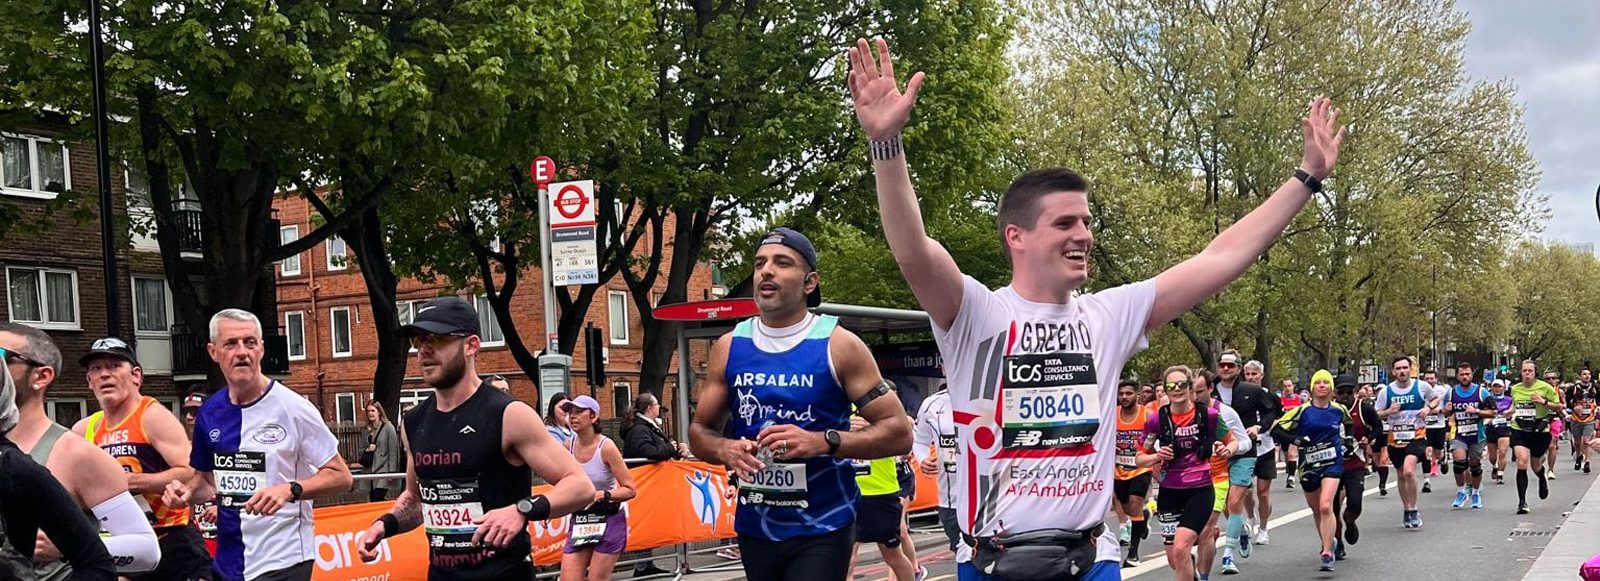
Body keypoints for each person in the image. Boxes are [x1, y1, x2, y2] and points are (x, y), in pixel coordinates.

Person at [851, 34, 1345, 581]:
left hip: (1090, 561)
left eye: (1086, 222)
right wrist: (886, 146)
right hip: (994, 562)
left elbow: (1222, 255)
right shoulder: (975, 314)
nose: (1083, 235)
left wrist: (1307, 179)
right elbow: (913, 249)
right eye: (1064, 223)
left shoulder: (1108, 315)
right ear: (1015, 236)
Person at [688, 226, 913, 581]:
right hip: (756, 523)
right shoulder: (730, 346)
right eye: (760, 263)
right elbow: (699, 431)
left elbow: (899, 433)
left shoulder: (839, 344)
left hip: (823, 525)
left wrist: (824, 441)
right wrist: (726, 449)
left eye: (782, 263)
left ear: (810, 282)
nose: (767, 271)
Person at [353, 298, 595, 580]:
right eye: (419, 341)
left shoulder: (508, 414)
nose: (424, 350)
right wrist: (385, 525)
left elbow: (581, 486)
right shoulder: (413, 421)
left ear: (471, 345)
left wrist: (522, 510)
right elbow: (416, 498)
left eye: (437, 339)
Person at [162, 309, 355, 581]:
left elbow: (342, 477)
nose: (242, 352)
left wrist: (291, 489)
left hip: (284, 557)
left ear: (261, 349)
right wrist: (184, 491)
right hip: (230, 560)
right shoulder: (210, 412)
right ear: (213, 352)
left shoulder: (294, 408)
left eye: (250, 342)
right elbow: (205, 480)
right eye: (231, 343)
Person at [0, 328, 160, 580]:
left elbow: (147, 551)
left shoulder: (76, 454)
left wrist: (68, 544)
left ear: (41, 376)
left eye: (2, 357)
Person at [70, 336, 217, 581]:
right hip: (122, 543)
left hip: (171, 538)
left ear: (136, 375)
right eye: (96, 369)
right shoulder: (84, 429)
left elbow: (190, 470)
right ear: (89, 381)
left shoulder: (151, 415)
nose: (105, 374)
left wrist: (130, 482)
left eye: (114, 366)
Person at [0, 347, 118, 580]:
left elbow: (102, 560)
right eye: (96, 368)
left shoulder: (74, 452)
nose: (103, 375)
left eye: (6, 356)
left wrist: (62, 546)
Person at [1137, 366, 1239, 581]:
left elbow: (1233, 441)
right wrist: (1156, 457)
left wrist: (1226, 450)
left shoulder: (1209, 416)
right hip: (1169, 491)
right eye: (1171, 386)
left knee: (1181, 547)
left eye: (1182, 385)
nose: (1177, 390)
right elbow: (1140, 457)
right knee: (1175, 558)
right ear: (1165, 390)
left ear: (1190, 387)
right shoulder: (1157, 420)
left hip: (1199, 489)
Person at [1272, 370, 1352, 572]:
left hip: (1333, 462)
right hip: (1308, 466)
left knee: (1326, 506)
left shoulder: (1339, 409)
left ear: (1331, 388)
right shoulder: (1302, 411)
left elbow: (1349, 425)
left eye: (1326, 382)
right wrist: (1295, 440)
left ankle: (1327, 552)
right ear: (1313, 388)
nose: (1323, 386)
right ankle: (1328, 542)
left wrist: (1348, 442)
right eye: (1319, 383)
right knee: (1317, 510)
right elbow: (1276, 430)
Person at [559, 396, 638, 581]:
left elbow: (630, 489)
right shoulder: (566, 446)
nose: (573, 417)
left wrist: (605, 494)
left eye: (579, 412)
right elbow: (562, 481)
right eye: (570, 413)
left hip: (609, 519)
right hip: (581, 520)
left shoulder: (607, 447)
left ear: (593, 417)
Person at [1210, 349, 1279, 560]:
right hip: (1219, 453)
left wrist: (1259, 426)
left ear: (1238, 369)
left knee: (1253, 494)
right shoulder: (1210, 391)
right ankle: (1239, 530)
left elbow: (1272, 411)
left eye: (1230, 365)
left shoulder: (1252, 391)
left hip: (1248, 449)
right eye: (1222, 365)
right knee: (1226, 503)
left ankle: (1256, 533)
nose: (1225, 369)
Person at [1189, 371, 1248, 580]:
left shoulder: (1224, 413)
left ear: (1211, 389)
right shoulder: (1174, 414)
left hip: (1217, 477)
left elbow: (1244, 442)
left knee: (1206, 528)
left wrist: (1228, 450)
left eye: (1199, 392)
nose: (1195, 397)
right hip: (1185, 480)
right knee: (1184, 538)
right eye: (1191, 392)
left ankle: (1205, 576)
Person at [621, 391, 686, 578]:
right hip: (644, 483)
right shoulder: (640, 429)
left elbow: (659, 449)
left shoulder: (648, 427)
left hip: (652, 484)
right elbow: (646, 451)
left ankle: (647, 565)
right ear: (649, 408)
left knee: (650, 522)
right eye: (657, 404)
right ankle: (642, 567)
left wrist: (676, 450)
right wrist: (669, 448)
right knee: (644, 522)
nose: (659, 407)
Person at [1374, 355, 1438, 529]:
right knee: (1401, 474)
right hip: (1395, 439)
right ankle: (1407, 509)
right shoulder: (1386, 391)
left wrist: (1427, 408)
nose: (1402, 371)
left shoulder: (1422, 386)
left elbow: (1435, 398)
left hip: (1416, 436)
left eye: (1405, 368)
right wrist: (1388, 411)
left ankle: (1414, 508)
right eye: (1398, 369)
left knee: (1409, 471)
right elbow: (1376, 414)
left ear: (1410, 369)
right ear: (1393, 371)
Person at [1331, 375, 1378, 561]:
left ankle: (1350, 521)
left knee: (1355, 503)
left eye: (1349, 392)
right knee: (1332, 507)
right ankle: (1337, 543)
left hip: (1355, 462)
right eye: (1340, 392)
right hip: (1332, 464)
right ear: (1334, 392)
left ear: (1355, 391)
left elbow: (1378, 426)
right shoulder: (1328, 409)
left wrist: (1369, 437)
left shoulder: (1363, 408)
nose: (1344, 396)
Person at [1509, 360, 1560, 514]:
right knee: (1522, 462)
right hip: (1520, 429)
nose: (1527, 373)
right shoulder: (1515, 389)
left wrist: (1543, 401)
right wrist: (1509, 412)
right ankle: (1522, 502)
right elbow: (1514, 406)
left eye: (1530, 371)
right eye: (1524, 371)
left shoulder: (1546, 388)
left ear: (1535, 373)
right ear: (1521, 373)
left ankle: (1542, 477)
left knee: (1535, 465)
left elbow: (1558, 406)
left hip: (1539, 430)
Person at [1112, 381, 1153, 567]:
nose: (1124, 397)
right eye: (1121, 394)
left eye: (1129, 393)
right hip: (1119, 469)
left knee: (1135, 503)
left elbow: (1159, 434)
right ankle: (1143, 518)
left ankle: (1133, 554)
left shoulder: (1147, 414)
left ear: (1137, 394)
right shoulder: (1112, 415)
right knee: (1129, 510)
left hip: (1141, 468)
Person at [1444, 362, 1494, 510]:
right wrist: (1446, 410)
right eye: (1462, 374)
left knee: (1475, 466)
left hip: (1477, 434)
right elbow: (1446, 412)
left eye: (1467, 374)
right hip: (1458, 433)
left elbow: (1493, 412)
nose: (1465, 377)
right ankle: (1461, 491)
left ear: (1472, 375)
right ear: (1457, 376)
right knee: (1459, 463)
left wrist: (1477, 412)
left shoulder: (1481, 392)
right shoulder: (1451, 393)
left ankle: (1476, 493)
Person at [361, 401, 402, 503]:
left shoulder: (388, 427)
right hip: (369, 470)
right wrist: (367, 450)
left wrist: (392, 472)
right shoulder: (365, 430)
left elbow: (393, 450)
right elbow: (361, 449)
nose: (370, 413)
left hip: (383, 469)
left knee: (378, 496)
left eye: (373, 410)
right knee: (373, 500)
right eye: (368, 411)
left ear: (379, 412)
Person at [1421, 369, 1449, 491]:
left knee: (1438, 452)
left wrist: (1440, 411)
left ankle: (1442, 459)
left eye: (1431, 378)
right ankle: (1426, 481)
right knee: (1426, 452)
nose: (1429, 381)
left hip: (1438, 425)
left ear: (1436, 379)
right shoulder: (1420, 390)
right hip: (1424, 426)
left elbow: (1448, 408)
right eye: (1427, 378)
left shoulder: (1442, 391)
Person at [1273, 376, 1302, 492]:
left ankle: (1291, 477)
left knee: (1292, 454)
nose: (1287, 388)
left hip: (1295, 429)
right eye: (1285, 386)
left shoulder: (1300, 399)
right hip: (1283, 430)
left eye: (1289, 386)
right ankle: (1290, 471)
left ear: (1293, 386)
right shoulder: (1279, 400)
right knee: (1287, 455)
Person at [1566, 369, 1596, 474]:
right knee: (1577, 442)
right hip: (1576, 418)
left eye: (1588, 374)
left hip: (1589, 418)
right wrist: (1574, 407)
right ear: (1580, 376)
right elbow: (1566, 401)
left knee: (1587, 441)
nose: (1587, 376)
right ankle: (1578, 456)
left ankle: (1587, 462)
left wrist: (1597, 408)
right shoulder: (1573, 389)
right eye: (1584, 374)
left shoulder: (1595, 388)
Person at [1544, 372, 1565, 478]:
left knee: (1552, 445)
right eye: (1548, 378)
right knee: (1542, 446)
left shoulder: (1559, 392)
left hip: (1555, 419)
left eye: (1553, 378)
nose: (1550, 380)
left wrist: (1559, 407)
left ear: (1557, 380)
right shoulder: (1539, 391)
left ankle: (1550, 470)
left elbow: (1564, 404)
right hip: (1542, 420)